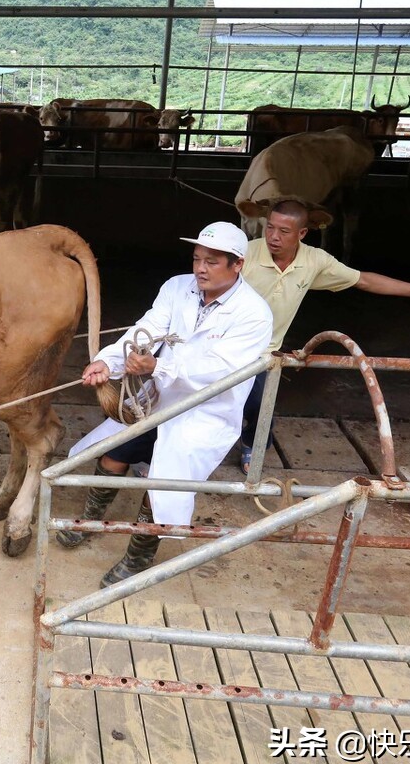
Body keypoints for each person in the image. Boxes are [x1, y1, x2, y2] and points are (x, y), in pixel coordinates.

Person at [57, 221, 273, 587]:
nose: (200, 268)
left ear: (238, 265)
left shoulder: (254, 313)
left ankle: (137, 556)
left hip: (206, 412)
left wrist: (160, 365)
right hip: (162, 400)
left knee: (162, 483)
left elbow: (219, 370)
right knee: (112, 454)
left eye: (212, 261)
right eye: (197, 259)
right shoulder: (177, 288)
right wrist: (106, 363)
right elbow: (148, 326)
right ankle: (90, 520)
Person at [237, 198, 410, 473]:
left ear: (302, 233)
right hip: (224, 344)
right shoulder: (244, 254)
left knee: (260, 403)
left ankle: (252, 446)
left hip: (265, 351)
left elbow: (364, 280)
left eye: (283, 231)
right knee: (204, 400)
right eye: (270, 228)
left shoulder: (314, 261)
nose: (273, 237)